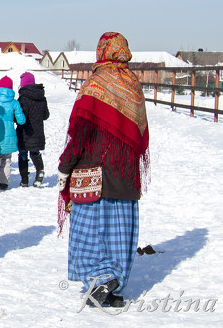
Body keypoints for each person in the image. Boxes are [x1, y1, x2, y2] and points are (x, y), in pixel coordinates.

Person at [58, 32, 150, 309]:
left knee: (89, 230)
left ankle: (99, 280)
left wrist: (65, 166)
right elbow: (141, 136)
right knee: (120, 231)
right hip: (124, 174)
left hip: (92, 171)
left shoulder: (95, 84)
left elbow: (81, 131)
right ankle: (115, 288)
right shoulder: (133, 85)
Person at [16, 72, 50, 187]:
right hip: (38, 132)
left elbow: (20, 117)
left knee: (23, 154)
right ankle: (40, 171)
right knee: (35, 152)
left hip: (24, 132)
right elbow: (46, 115)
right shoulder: (42, 97)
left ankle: (24, 180)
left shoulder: (23, 98)